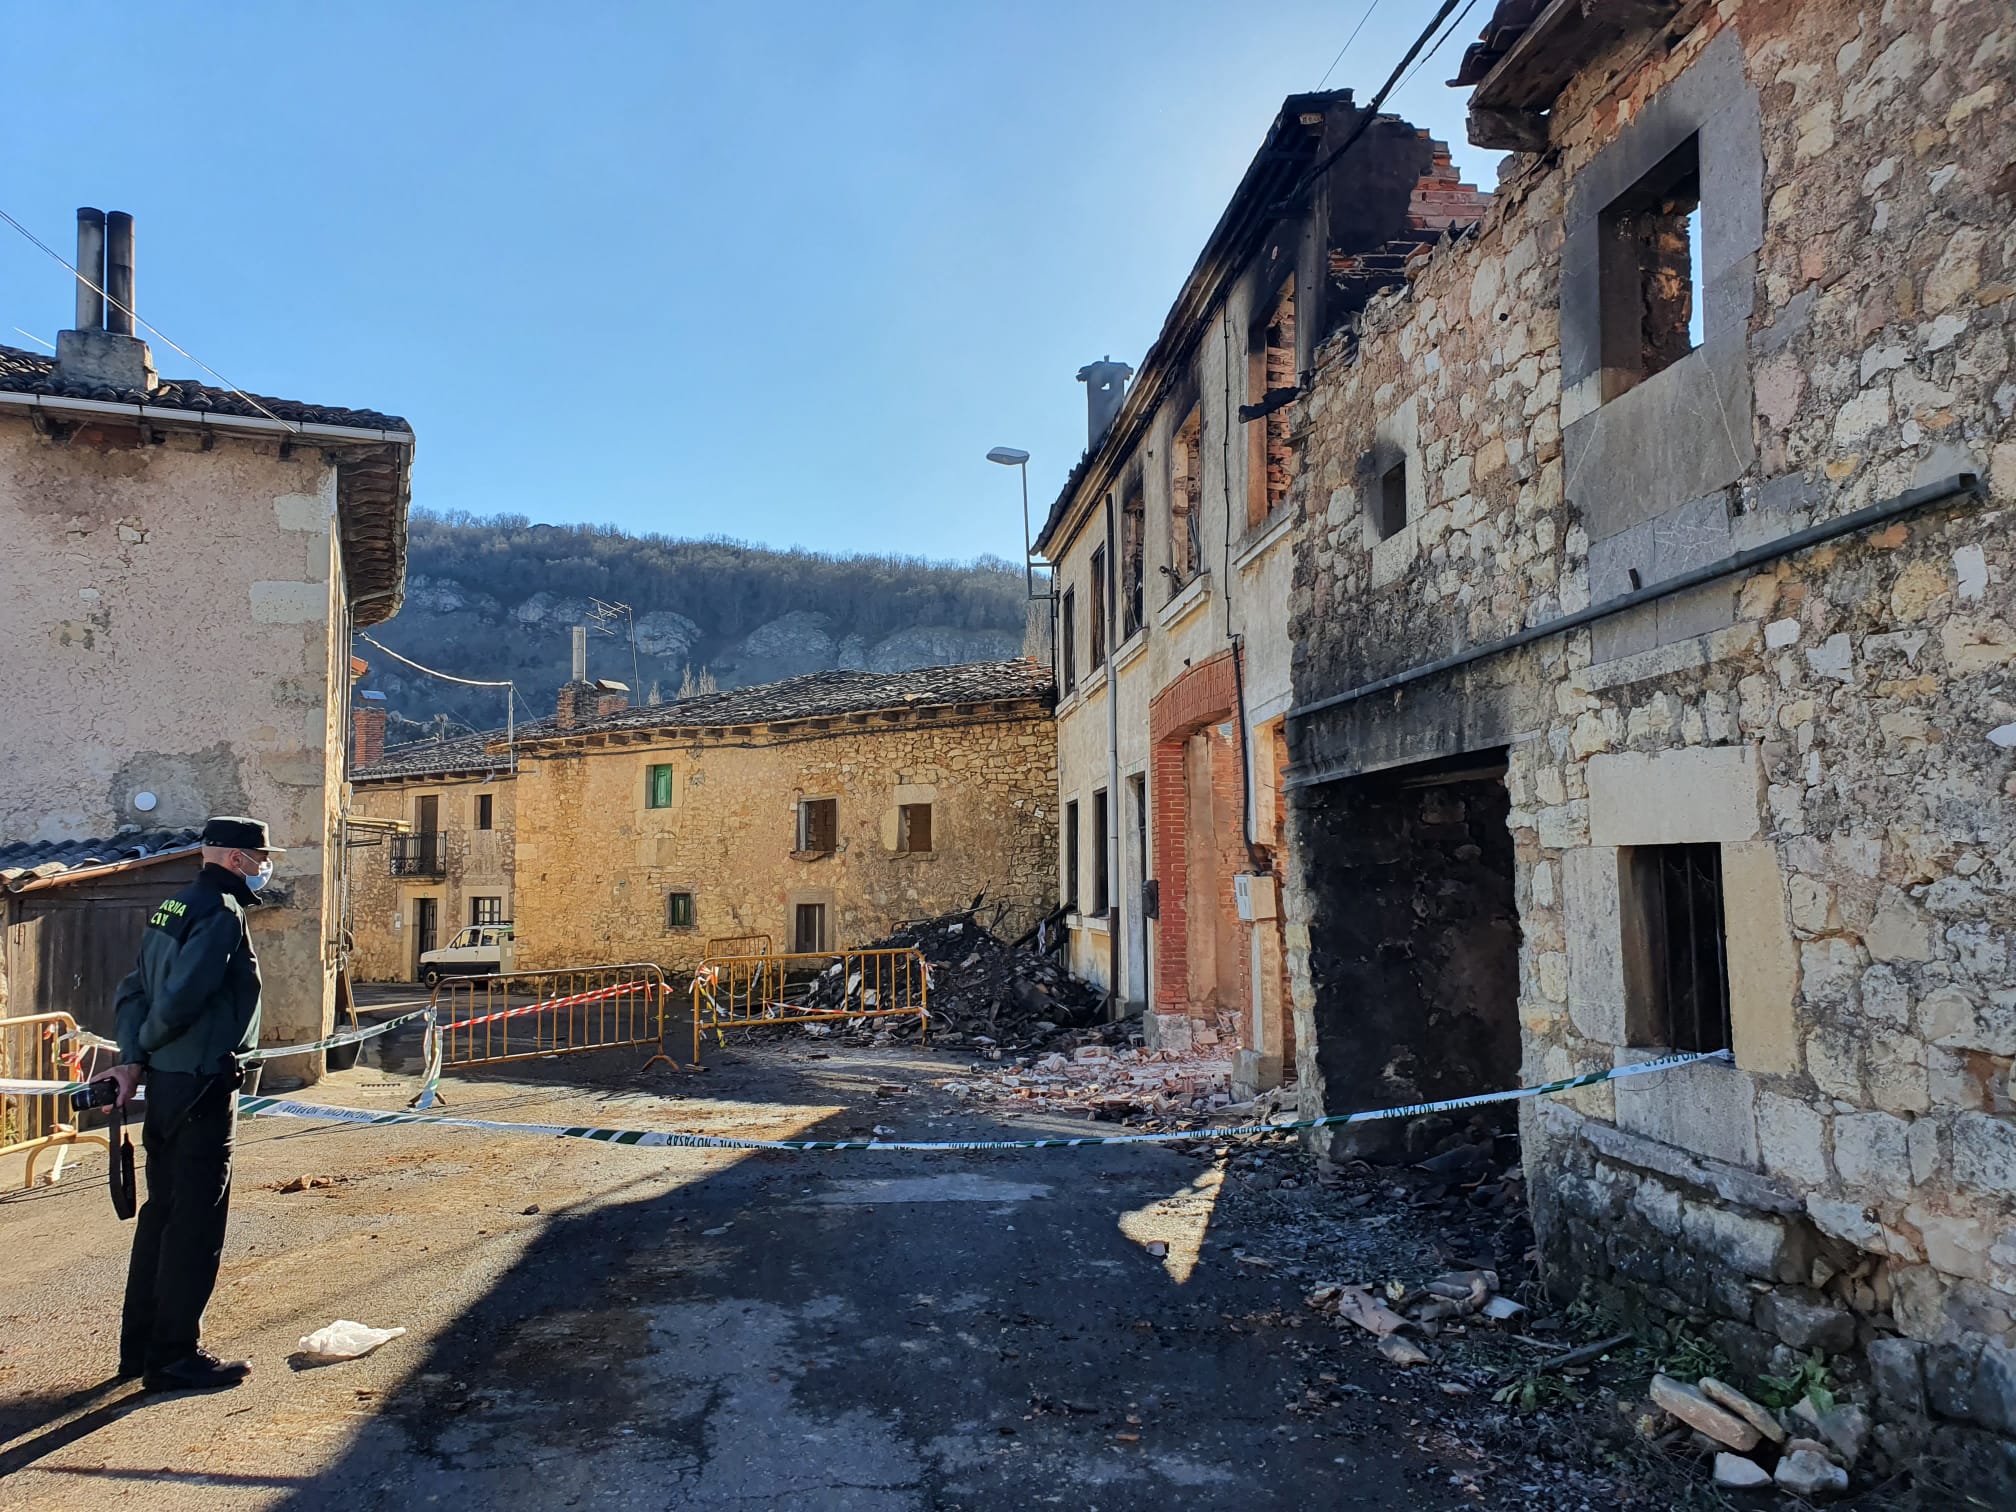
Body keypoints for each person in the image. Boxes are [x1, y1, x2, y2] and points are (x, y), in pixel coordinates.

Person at [106, 815, 277, 1391]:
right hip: (203, 1079)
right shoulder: (222, 914)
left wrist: (133, 1056)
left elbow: (133, 988)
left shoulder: (172, 907)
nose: (262, 867)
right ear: (235, 859)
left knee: (162, 1211)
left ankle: (141, 1348)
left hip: (168, 1083)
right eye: (259, 858)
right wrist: (150, 1043)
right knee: (196, 1220)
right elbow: (184, 995)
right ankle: (175, 1353)